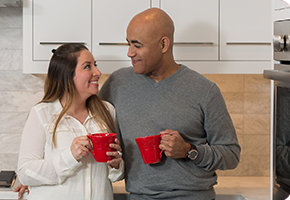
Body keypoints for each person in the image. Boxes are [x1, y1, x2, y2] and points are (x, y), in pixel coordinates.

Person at [99, 8, 241, 200]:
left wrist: (189, 151)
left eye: (137, 45)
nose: (129, 52)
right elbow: (90, 122)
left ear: (163, 44)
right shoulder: (117, 83)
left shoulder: (205, 90)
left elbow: (231, 154)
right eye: (128, 43)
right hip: (139, 196)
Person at [16, 43, 124, 200]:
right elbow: (25, 173)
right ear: (66, 74)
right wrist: (70, 156)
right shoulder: (42, 113)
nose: (98, 72)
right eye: (88, 67)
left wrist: (116, 164)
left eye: (95, 65)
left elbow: (115, 176)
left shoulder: (107, 111)